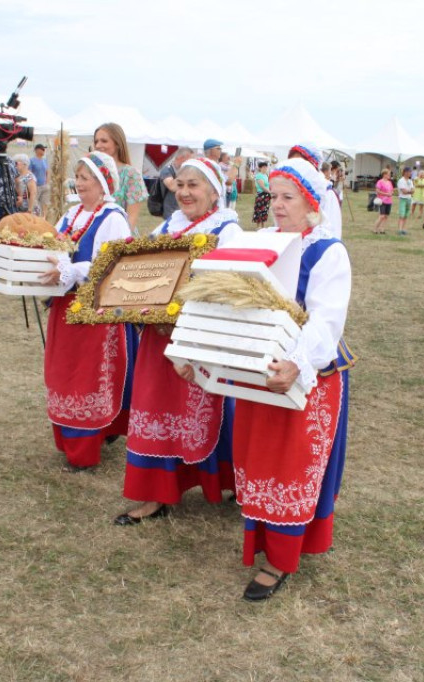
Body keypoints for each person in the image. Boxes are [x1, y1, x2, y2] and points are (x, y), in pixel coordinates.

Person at [226, 157, 353, 601]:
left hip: (307, 374)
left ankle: (280, 558)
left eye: (288, 197)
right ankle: (264, 537)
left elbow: (326, 321)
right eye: (273, 196)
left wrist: (298, 362)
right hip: (261, 369)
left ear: (312, 203)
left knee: (292, 465)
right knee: (260, 459)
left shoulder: (327, 251)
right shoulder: (265, 242)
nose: (278, 206)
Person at [114, 157, 243, 525]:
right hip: (159, 339)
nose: (185, 192)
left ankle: (227, 481)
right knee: (156, 408)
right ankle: (156, 494)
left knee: (210, 409)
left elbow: (229, 288)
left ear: (215, 191)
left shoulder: (229, 231)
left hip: (201, 339)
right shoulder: (171, 225)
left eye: (194, 185)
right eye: (180, 185)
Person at [39, 151, 135, 470]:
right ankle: (69, 439)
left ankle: (83, 450)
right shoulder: (72, 215)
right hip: (65, 308)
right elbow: (53, 244)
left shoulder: (113, 218)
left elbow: (110, 266)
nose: (78, 183)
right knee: (64, 374)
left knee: (86, 379)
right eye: (77, 177)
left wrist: (69, 270)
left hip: (94, 313)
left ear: (103, 183)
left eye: (85, 178)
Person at [94, 123, 148, 229]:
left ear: (117, 144)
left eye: (104, 141)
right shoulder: (94, 172)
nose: (98, 145)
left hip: (119, 237)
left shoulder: (130, 174)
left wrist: (117, 241)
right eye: (96, 141)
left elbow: (131, 218)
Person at [289, 143, 342, 239]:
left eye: (300, 163)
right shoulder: (286, 190)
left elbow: (333, 231)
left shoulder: (326, 193)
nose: (294, 166)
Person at [159, 147, 195, 220]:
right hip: (171, 210)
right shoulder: (167, 170)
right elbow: (172, 186)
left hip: (185, 208)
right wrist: (185, 171)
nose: (192, 162)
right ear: (181, 158)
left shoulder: (188, 171)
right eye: (190, 160)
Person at [31, 143, 50, 216]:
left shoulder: (45, 160)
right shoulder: (32, 161)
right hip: (36, 187)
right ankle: (36, 219)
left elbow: (47, 172)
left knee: (45, 203)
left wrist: (47, 182)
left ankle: (44, 218)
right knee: (35, 205)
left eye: (44, 149)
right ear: (37, 150)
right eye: (42, 149)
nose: (44, 150)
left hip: (44, 186)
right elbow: (29, 173)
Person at [373, 169, 394, 234]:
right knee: (382, 216)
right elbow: (377, 191)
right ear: (384, 174)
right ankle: (375, 228)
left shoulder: (389, 182)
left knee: (386, 216)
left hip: (389, 201)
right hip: (382, 201)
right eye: (388, 174)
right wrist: (386, 194)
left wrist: (391, 193)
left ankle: (382, 229)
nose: (390, 175)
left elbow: (392, 190)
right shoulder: (380, 182)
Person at [252, 160, 271, 228]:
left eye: (266, 167)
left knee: (265, 210)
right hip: (261, 195)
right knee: (259, 210)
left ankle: (263, 226)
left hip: (266, 195)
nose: (265, 168)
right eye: (263, 167)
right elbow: (262, 186)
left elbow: (268, 185)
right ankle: (258, 226)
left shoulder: (266, 175)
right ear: (260, 168)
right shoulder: (259, 175)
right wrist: (270, 192)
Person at [396, 167, 414, 234]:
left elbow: (413, 190)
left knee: (406, 215)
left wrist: (409, 191)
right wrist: (410, 191)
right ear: (405, 172)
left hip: (409, 199)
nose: (410, 173)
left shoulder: (410, 181)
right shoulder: (401, 180)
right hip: (403, 199)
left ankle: (403, 229)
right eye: (409, 172)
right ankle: (399, 230)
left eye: (410, 172)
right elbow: (403, 191)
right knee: (402, 215)